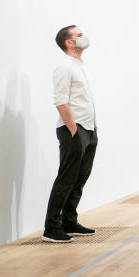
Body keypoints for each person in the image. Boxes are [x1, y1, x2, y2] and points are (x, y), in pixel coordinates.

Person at [42, 25, 98, 243]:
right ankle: (51, 228)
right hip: (73, 130)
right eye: (79, 35)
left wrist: (90, 130)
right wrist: (73, 130)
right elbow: (60, 101)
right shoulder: (64, 67)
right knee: (66, 179)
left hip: (89, 129)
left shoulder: (81, 67)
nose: (84, 36)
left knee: (80, 178)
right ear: (70, 42)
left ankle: (69, 221)